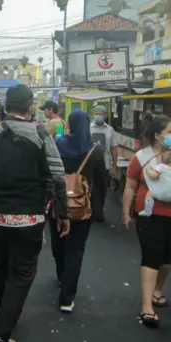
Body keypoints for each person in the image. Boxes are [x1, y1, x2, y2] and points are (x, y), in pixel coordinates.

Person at [0, 84, 70, 342]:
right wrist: (63, 213)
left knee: (1, 263)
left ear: (4, 106)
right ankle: (2, 335)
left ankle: (6, 311)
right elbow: (58, 177)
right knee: (22, 272)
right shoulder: (40, 133)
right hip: (30, 217)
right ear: (30, 106)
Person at [123, 115, 171, 328]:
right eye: (169, 132)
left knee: (166, 258)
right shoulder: (141, 158)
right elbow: (130, 187)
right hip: (148, 215)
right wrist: (126, 213)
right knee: (151, 256)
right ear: (157, 135)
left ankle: (158, 289)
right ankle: (147, 306)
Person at [53, 110, 107, 313]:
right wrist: (98, 209)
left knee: (58, 244)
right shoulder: (95, 151)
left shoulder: (58, 145)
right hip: (83, 208)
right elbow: (102, 184)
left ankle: (62, 276)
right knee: (75, 249)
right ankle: (67, 298)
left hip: (58, 205)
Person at [139, 149, 171, 217]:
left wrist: (148, 169)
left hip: (163, 194)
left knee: (149, 193)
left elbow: (153, 176)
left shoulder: (161, 167)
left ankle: (147, 211)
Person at [90, 105, 119, 220]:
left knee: (102, 189)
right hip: (90, 164)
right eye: (96, 113)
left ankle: (99, 208)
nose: (98, 115)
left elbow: (114, 148)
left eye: (101, 113)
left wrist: (114, 165)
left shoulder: (109, 130)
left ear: (106, 116)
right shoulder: (88, 128)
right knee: (91, 189)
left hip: (105, 164)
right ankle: (93, 212)